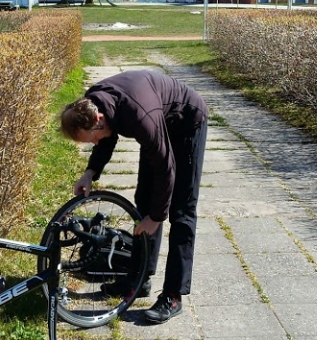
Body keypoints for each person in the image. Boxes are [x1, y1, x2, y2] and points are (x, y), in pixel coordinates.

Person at [60, 69, 208, 323]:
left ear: (98, 119)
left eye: (92, 139)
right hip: (158, 121)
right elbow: (105, 138)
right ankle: (139, 279)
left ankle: (173, 295)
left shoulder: (140, 115)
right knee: (144, 202)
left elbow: (166, 167)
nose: (95, 144)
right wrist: (90, 172)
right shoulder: (95, 102)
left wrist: (157, 216)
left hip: (186, 122)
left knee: (181, 211)